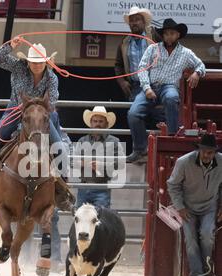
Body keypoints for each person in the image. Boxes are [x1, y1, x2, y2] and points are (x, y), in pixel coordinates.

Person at [0, 37, 74, 210]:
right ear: (28, 61)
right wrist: (10, 46)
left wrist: (34, 109)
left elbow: (52, 100)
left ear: (45, 62)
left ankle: (62, 191)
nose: (37, 65)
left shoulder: (52, 78)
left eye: (40, 62)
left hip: (42, 117)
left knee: (60, 149)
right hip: (15, 112)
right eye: (33, 61)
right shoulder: (19, 68)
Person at [127, 18, 206, 164]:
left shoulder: (186, 53)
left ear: (178, 35)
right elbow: (142, 68)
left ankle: (172, 137)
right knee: (133, 114)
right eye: (167, 33)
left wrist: (197, 73)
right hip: (150, 87)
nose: (169, 36)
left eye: (172, 33)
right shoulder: (153, 49)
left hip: (169, 86)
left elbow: (201, 65)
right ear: (162, 35)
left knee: (171, 97)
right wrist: (146, 87)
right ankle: (140, 149)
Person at [167, 134, 222, 276]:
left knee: (207, 235)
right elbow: (173, 185)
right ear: (199, 150)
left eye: (210, 152)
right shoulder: (183, 162)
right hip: (188, 207)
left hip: (209, 206)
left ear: (214, 152)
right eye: (204, 151)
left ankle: (205, 268)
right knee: (190, 241)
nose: (207, 155)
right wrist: (180, 206)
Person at [74, 106, 120, 208]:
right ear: (91, 123)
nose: (97, 124)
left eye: (101, 121)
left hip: (102, 187)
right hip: (84, 187)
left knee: (101, 220)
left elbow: (118, 164)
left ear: (106, 124)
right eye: (95, 121)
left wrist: (101, 166)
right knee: (81, 219)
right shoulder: (82, 140)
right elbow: (72, 162)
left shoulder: (114, 141)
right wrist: (83, 163)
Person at [115, 6, 160, 101]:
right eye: (131, 20)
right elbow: (118, 65)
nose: (134, 22)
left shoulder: (154, 36)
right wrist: (122, 81)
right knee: (134, 115)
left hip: (155, 85)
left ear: (144, 22)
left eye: (137, 19)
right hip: (135, 86)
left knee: (158, 114)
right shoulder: (124, 42)